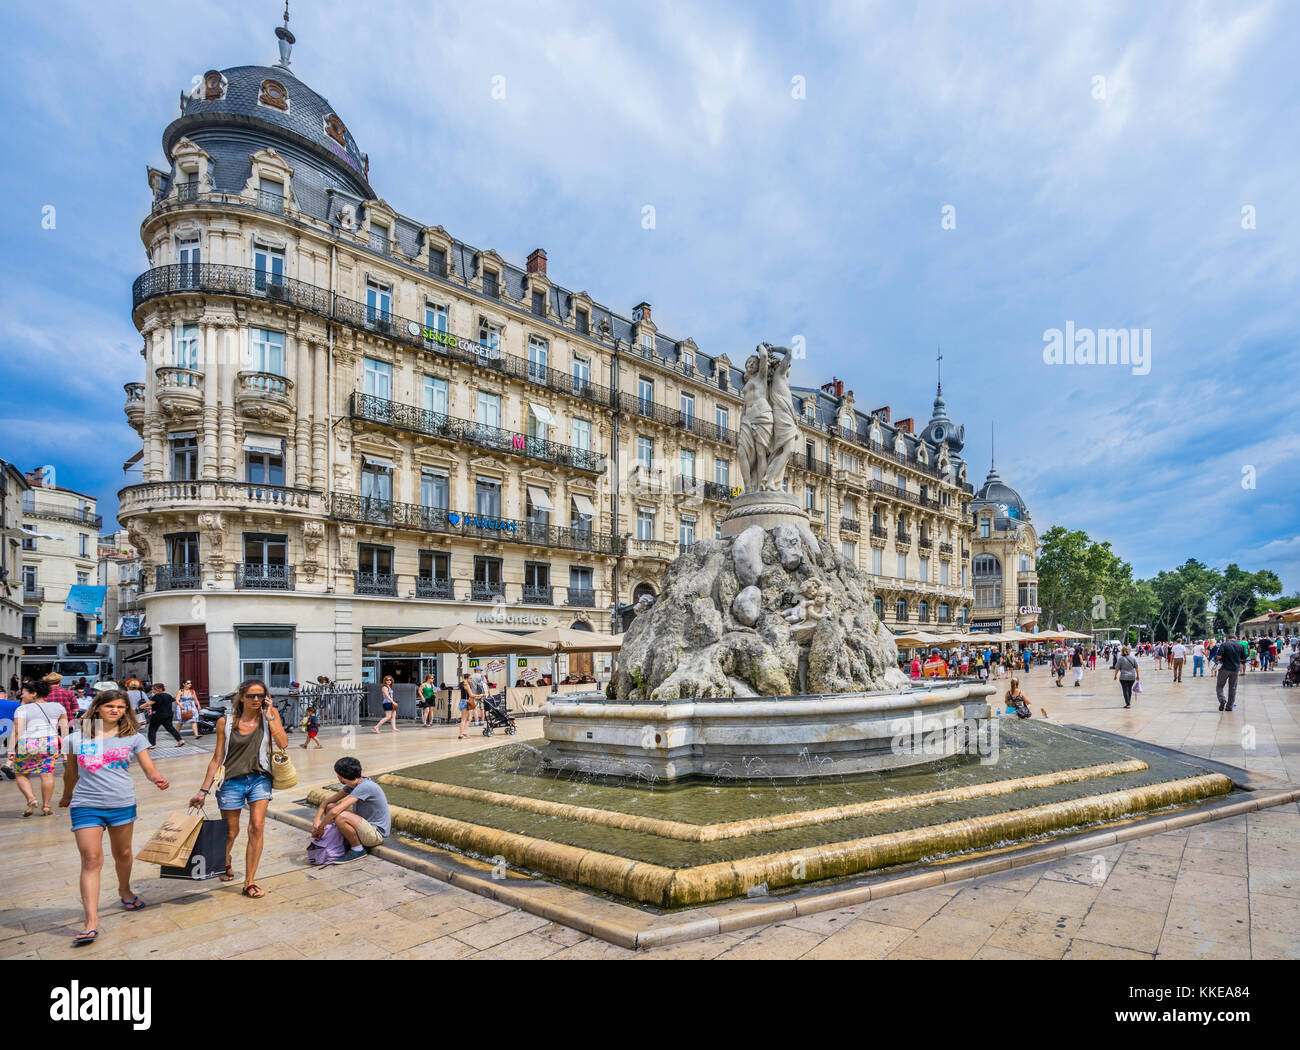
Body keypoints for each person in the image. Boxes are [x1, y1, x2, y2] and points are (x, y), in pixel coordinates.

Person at [59, 689, 168, 947]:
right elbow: (71, 773)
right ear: (97, 708)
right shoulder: (77, 738)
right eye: (110, 706)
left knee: (124, 854)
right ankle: (91, 922)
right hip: (86, 804)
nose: (116, 710)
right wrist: (66, 796)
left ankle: (124, 889)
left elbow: (148, 768)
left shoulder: (132, 738)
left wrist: (157, 779)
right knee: (91, 859)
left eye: (121, 707)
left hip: (121, 803)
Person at [187, 679, 288, 899]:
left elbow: (283, 743)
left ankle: (249, 881)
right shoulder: (226, 722)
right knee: (231, 832)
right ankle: (225, 859)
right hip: (231, 781)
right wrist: (203, 791)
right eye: (251, 696)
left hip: (260, 779)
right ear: (241, 697)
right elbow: (217, 758)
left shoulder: (269, 716)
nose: (256, 700)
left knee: (257, 827)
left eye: (260, 695)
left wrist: (270, 717)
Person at [311, 756, 391, 862]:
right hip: (364, 828)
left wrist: (320, 828)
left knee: (341, 816)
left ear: (339, 776)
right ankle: (345, 840)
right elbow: (327, 803)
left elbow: (336, 812)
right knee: (330, 807)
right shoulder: (352, 785)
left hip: (376, 835)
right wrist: (316, 821)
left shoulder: (365, 786)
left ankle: (358, 850)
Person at [10, 679, 69, 816]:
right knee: (47, 775)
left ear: (34, 694)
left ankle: (31, 799)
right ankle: (46, 806)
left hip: (28, 743)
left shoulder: (22, 709)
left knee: (21, 774)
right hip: (50, 742)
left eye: (23, 693)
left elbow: (17, 730)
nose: (21, 696)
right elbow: (64, 729)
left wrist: (11, 749)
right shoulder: (58, 707)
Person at [143, 682, 184, 747]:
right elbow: (163, 703)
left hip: (158, 715)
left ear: (158, 689)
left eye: (153, 689)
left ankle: (152, 744)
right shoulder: (168, 695)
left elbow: (148, 703)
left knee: (152, 729)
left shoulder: (157, 696)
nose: (152, 691)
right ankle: (180, 740)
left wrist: (140, 707)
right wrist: (151, 708)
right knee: (170, 728)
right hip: (168, 714)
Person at [1216, 634, 1245, 712]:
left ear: (1228, 639)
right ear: (1235, 639)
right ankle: (1229, 706)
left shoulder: (1224, 645)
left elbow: (1219, 656)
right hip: (1235, 669)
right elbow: (1243, 657)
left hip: (1224, 668)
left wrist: (1216, 661)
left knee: (1220, 686)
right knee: (1233, 688)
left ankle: (1222, 699)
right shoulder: (1241, 646)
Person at [458, 672, 477, 739]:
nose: (471, 679)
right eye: (470, 678)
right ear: (466, 678)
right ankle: (461, 735)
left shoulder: (463, 684)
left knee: (469, 718)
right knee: (463, 719)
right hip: (465, 702)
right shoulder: (466, 685)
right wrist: (480, 695)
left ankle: (464, 732)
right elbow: (471, 695)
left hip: (463, 702)